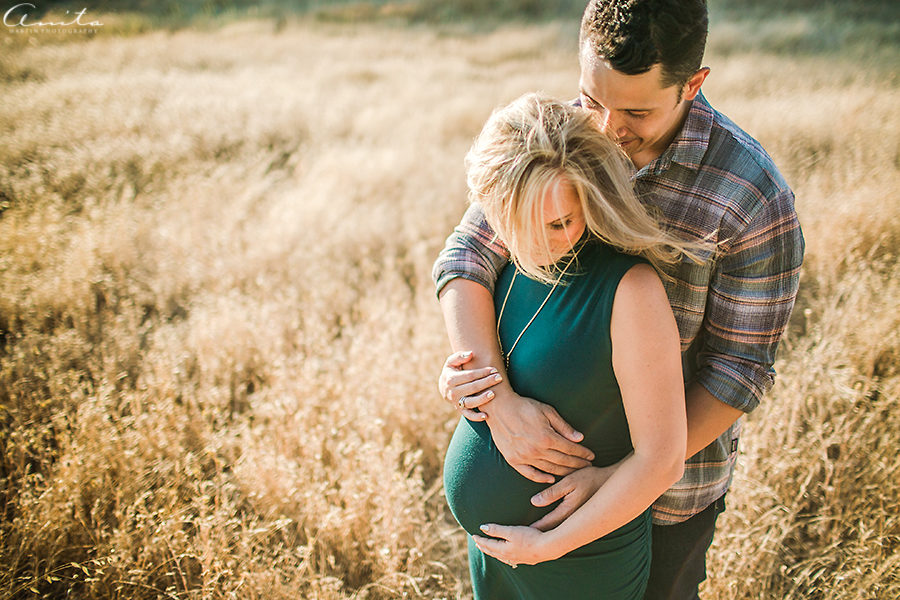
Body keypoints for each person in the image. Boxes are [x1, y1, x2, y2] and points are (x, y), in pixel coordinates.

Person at [433, 1, 805, 598]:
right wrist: (491, 394)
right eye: (592, 99)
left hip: (663, 504)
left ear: (693, 83)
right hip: (515, 514)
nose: (606, 129)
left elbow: (739, 371)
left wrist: (616, 479)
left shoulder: (749, 196)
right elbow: (469, 253)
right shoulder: (565, 134)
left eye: (635, 110)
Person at [443, 92, 696, 599]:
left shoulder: (631, 291)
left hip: (580, 562)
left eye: (563, 222)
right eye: (524, 225)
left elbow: (662, 458)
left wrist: (550, 545)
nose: (544, 242)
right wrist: (463, 384)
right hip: (494, 555)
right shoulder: (506, 262)